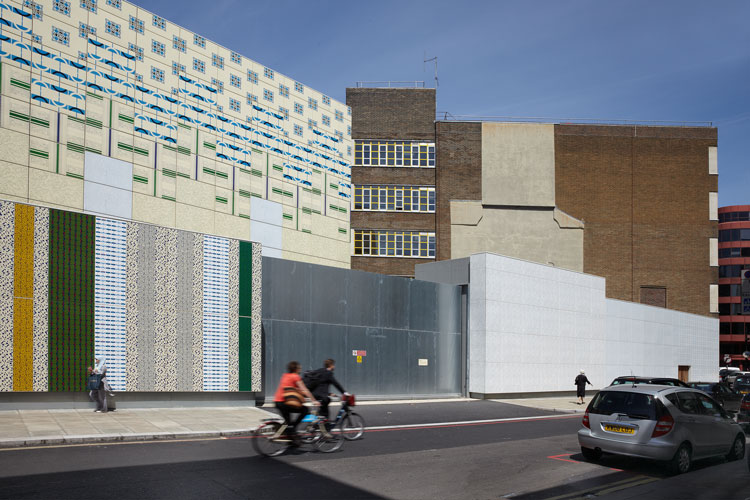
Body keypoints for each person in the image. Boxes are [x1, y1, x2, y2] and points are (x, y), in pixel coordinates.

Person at [273, 361, 319, 440]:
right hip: (284, 402)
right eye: (299, 368)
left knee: (288, 422)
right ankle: (292, 429)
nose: (300, 369)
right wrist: (314, 400)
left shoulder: (285, 375)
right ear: (296, 369)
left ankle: (291, 437)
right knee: (305, 409)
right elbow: (304, 390)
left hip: (277, 401)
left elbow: (293, 388)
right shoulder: (295, 376)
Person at [307, 359, 346, 425]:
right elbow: (336, 384)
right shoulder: (328, 373)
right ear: (331, 365)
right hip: (320, 395)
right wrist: (344, 392)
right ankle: (323, 421)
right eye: (333, 365)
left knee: (326, 401)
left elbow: (320, 385)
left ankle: (322, 419)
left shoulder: (320, 371)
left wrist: (329, 393)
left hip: (314, 393)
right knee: (327, 400)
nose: (334, 367)